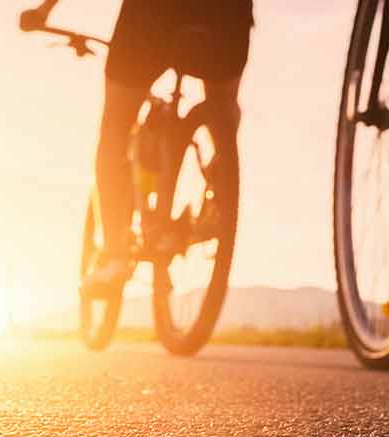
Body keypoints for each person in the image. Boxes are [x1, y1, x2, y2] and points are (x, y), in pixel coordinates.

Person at [20, 1, 253, 296]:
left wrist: (44, 11)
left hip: (152, 16)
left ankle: (116, 253)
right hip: (226, 16)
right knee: (223, 105)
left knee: (115, 127)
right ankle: (221, 192)